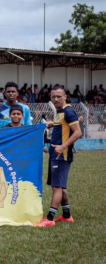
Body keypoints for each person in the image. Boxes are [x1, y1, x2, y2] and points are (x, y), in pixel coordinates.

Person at [36, 86, 83, 227]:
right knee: (61, 187)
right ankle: (67, 215)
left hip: (61, 155)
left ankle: (49, 219)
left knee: (57, 187)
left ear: (65, 96)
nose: (56, 99)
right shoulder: (60, 112)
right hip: (55, 154)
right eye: (53, 97)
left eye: (59, 96)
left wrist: (63, 146)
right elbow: (63, 128)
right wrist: (53, 124)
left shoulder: (69, 111)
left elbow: (77, 132)